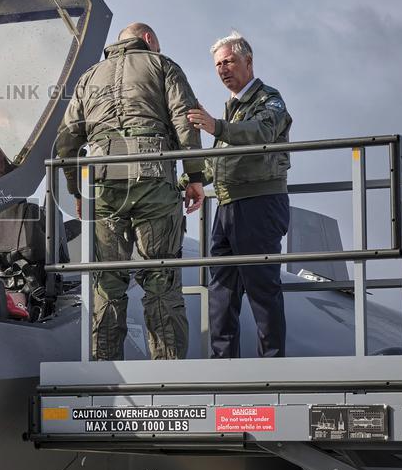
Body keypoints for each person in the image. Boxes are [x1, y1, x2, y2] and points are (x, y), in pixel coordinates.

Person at [57, 22, 205, 361]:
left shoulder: (88, 77)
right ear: (149, 39)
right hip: (153, 179)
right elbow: (185, 120)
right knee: (160, 276)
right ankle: (166, 375)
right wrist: (195, 176)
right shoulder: (162, 65)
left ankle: (104, 370)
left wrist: (76, 191)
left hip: (104, 186)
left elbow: (66, 140)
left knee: (106, 281)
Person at [187, 30, 292, 358]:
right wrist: (185, 182)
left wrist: (216, 127)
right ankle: (223, 366)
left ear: (248, 61)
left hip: (259, 204)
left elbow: (261, 132)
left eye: (229, 61)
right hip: (229, 205)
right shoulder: (232, 110)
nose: (223, 69)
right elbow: (217, 163)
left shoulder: (268, 100)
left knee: (262, 290)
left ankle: (272, 367)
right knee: (222, 291)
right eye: (218, 64)